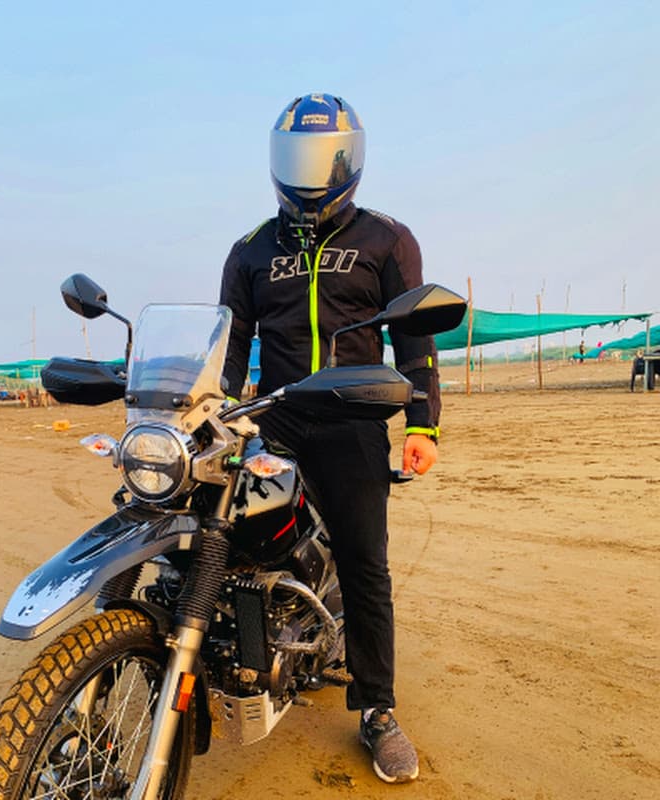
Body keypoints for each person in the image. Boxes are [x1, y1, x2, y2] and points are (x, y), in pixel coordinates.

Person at [219, 93, 441, 784]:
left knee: (364, 562)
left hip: (353, 416)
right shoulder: (251, 249)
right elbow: (231, 343)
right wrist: (216, 410)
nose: (308, 174)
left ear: (349, 161)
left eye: (321, 159)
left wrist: (423, 423)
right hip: (275, 416)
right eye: (296, 157)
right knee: (230, 534)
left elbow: (415, 341)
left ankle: (377, 708)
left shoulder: (386, 239)